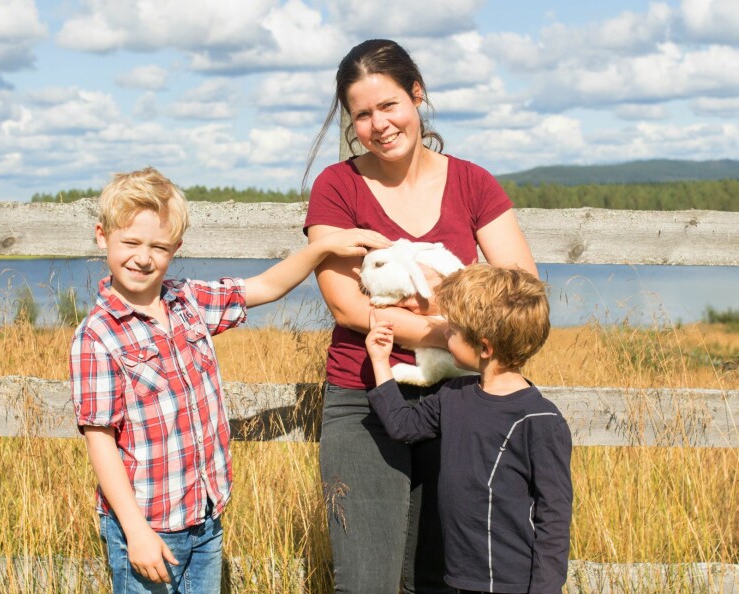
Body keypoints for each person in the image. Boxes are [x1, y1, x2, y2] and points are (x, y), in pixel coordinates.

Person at [70, 166, 390, 594]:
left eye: (158, 246)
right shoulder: (97, 335)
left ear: (175, 248)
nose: (143, 257)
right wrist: (135, 531)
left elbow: (264, 287)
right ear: (102, 236)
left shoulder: (187, 301)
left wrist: (324, 247)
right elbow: (101, 440)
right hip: (148, 525)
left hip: (205, 516)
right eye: (130, 242)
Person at [303, 39, 538, 593]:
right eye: (362, 114)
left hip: (460, 401)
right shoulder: (337, 187)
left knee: (445, 577)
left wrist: (445, 328)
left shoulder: (472, 182)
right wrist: (448, 327)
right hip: (364, 399)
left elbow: (523, 294)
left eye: (389, 106)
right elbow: (346, 304)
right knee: (369, 581)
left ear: (418, 95)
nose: (378, 124)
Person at [365, 264, 573, 594]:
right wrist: (379, 361)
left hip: (513, 584)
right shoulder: (453, 395)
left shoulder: (540, 420)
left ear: (485, 347)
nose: (444, 333)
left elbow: (554, 515)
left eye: (453, 330)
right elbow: (403, 426)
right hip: (457, 578)